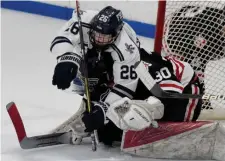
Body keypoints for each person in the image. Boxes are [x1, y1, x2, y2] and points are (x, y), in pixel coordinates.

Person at [50, 6, 203, 147]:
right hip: (147, 92)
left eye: (105, 37)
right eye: (96, 35)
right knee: (107, 133)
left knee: (134, 112)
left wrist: (144, 110)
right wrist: (68, 59)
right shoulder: (106, 71)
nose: (98, 40)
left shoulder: (139, 64)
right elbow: (64, 38)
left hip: (187, 91)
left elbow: (171, 95)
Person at [163, 5, 225, 109]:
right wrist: (200, 95)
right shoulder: (207, 34)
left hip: (191, 29)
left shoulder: (217, 23)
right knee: (183, 73)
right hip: (173, 36)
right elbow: (196, 64)